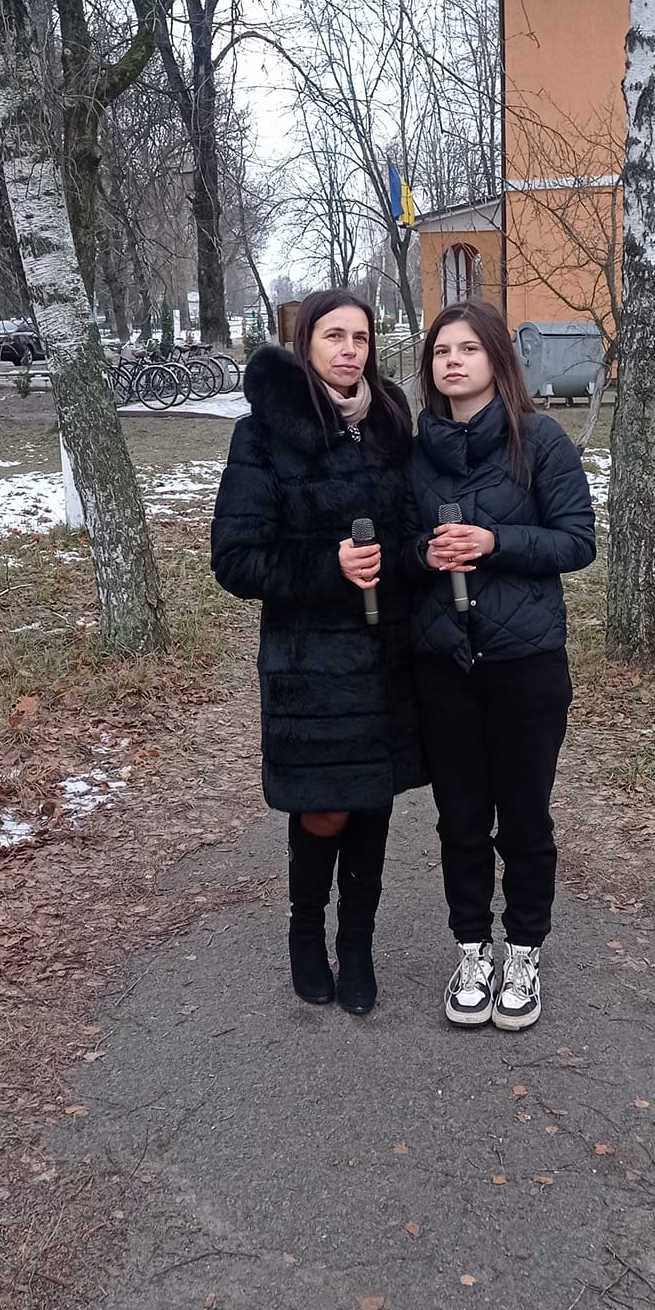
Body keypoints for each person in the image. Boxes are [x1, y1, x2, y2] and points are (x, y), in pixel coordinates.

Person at [211, 289, 424, 1016]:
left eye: (360, 337)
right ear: (305, 345)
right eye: (334, 336)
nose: (349, 350)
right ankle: (306, 933)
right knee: (324, 809)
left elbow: (411, 524)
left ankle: (357, 945)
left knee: (372, 804)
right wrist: (326, 569)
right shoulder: (264, 434)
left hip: (388, 655)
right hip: (311, 665)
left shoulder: (391, 422)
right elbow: (235, 559)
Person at [404, 300, 596, 1032]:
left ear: (496, 360)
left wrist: (495, 541)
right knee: (459, 821)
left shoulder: (539, 440)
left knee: (522, 821)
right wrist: (423, 553)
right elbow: (398, 542)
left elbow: (577, 541)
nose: (452, 362)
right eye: (440, 352)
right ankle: (471, 951)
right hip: (443, 666)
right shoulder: (415, 452)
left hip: (526, 665)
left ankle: (522, 951)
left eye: (467, 349)